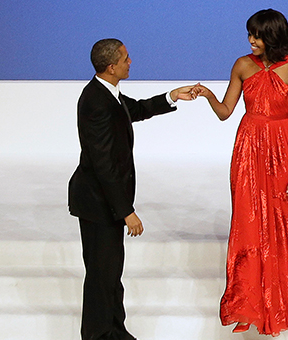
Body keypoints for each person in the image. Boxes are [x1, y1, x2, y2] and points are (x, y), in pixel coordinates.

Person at [192, 9, 288, 336]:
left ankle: (277, 303)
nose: (251, 41)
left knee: (281, 222)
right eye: (249, 35)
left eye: (257, 36)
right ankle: (247, 302)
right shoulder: (242, 65)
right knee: (248, 224)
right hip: (248, 152)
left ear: (273, 37)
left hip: (284, 151)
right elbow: (225, 112)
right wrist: (208, 95)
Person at [68, 38, 196, 340]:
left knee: (111, 273)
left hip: (104, 203)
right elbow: (103, 166)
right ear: (112, 67)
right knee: (101, 276)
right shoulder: (96, 102)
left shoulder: (107, 93)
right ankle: (99, 335)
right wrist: (127, 211)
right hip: (98, 204)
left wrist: (171, 96)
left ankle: (115, 331)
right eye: (125, 59)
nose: (130, 62)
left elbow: (135, 109)